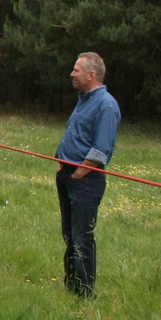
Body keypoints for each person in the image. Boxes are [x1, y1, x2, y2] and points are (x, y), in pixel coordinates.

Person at [55, 52, 121, 298]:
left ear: (91, 75)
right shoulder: (83, 99)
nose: (72, 74)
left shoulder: (106, 104)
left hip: (85, 181)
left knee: (82, 236)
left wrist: (79, 173)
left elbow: (101, 149)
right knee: (69, 234)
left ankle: (84, 292)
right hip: (68, 174)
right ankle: (71, 285)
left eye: (76, 70)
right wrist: (63, 165)